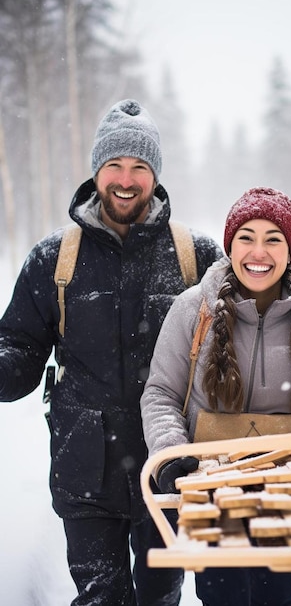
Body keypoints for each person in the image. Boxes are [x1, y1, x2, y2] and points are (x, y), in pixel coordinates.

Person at [0, 99, 222, 606]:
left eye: (139, 167)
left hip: (170, 470)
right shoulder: (54, 258)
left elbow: (243, 348)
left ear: (155, 175)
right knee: (101, 599)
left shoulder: (198, 257)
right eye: (115, 165)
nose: (126, 179)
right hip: (85, 475)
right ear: (97, 170)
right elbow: (17, 352)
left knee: (160, 597)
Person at [141, 186, 291, 606]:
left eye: (273, 239)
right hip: (210, 493)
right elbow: (161, 393)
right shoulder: (193, 311)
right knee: (222, 596)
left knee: (279, 595)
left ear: (289, 250)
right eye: (247, 237)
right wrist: (173, 454)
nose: (258, 251)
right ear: (230, 245)